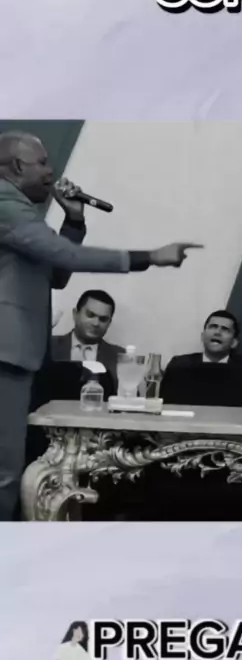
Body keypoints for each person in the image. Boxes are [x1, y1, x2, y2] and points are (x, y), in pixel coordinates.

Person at [0, 130, 202, 520]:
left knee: (10, 468)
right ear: (18, 166)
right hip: (5, 353)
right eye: (42, 163)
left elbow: (56, 274)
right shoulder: (6, 204)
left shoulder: (20, 211)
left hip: (15, 355)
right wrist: (149, 257)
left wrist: (74, 219)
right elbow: (66, 256)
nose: (51, 171)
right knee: (4, 473)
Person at [160, 310, 242, 406]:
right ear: (202, 336)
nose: (217, 332)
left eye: (225, 329)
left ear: (234, 343)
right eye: (213, 327)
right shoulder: (180, 365)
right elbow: (163, 404)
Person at [51, 289, 125, 391]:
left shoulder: (120, 356)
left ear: (109, 323)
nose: (96, 323)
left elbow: (131, 396)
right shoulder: (49, 347)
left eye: (103, 319)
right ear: (75, 314)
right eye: (90, 315)